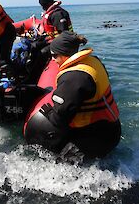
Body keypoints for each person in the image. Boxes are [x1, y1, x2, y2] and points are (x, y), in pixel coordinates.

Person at [24, 31, 121, 160]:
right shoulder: (92, 61)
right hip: (110, 129)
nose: (52, 59)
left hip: (98, 137)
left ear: (65, 54)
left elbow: (59, 118)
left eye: (54, 55)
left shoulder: (74, 77)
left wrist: (48, 113)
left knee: (61, 163)